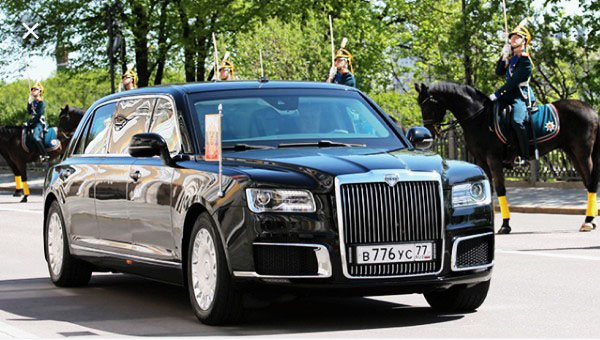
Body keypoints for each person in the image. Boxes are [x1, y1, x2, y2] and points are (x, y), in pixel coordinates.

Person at [489, 22, 536, 164]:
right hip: (510, 94)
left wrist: (497, 93)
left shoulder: (525, 61)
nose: (513, 39)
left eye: (517, 37)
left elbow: (513, 82)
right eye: (512, 37)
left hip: (521, 95)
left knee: (517, 121)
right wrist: (503, 57)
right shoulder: (511, 58)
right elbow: (498, 72)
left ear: (524, 41)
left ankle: (525, 155)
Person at [27, 82, 49, 160]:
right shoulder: (33, 102)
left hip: (38, 123)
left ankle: (45, 154)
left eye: (35, 90)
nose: (33, 91)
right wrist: (29, 104)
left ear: (40, 92)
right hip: (32, 122)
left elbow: (38, 115)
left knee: (35, 137)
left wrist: (30, 122)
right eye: (32, 90)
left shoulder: (41, 103)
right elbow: (29, 112)